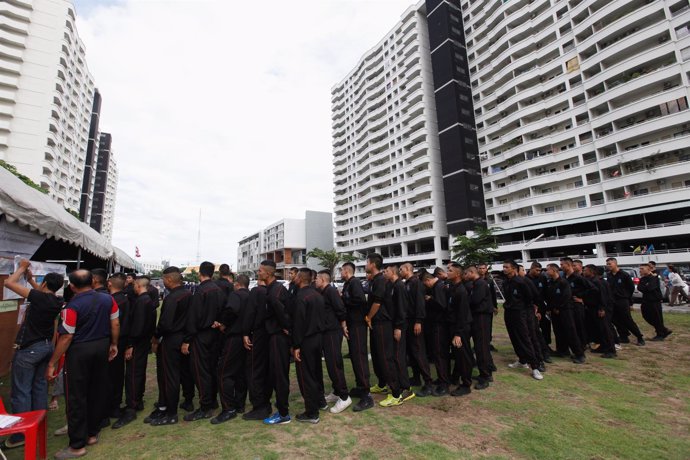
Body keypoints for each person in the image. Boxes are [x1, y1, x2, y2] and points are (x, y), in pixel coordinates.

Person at [46, 270, 119, 460]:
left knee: (76, 397)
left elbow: (67, 336)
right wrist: (113, 344)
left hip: (80, 350)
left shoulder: (72, 306)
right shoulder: (108, 299)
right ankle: (92, 434)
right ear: (93, 281)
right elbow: (115, 324)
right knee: (96, 390)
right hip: (101, 346)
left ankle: (77, 445)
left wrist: (52, 362)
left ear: (71, 286)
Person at [2, 259, 64, 450]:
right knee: (38, 388)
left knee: (21, 390)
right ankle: (38, 424)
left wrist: (21, 269)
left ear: (44, 283)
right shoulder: (56, 300)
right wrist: (30, 280)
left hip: (30, 349)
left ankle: (20, 433)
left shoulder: (40, 298)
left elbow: (8, 283)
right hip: (46, 348)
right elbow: (40, 292)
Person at [148, 268, 193, 426]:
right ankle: (165, 406)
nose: (163, 282)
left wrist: (155, 336)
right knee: (179, 373)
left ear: (169, 280)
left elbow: (165, 324)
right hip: (183, 337)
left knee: (169, 376)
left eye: (164, 280)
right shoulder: (188, 294)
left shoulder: (173, 298)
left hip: (171, 339)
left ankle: (171, 412)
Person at [182, 261, 224, 421]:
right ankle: (211, 401)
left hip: (202, 335)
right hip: (214, 334)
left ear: (200, 273)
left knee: (201, 371)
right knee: (211, 369)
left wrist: (187, 340)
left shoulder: (201, 291)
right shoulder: (218, 290)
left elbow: (193, 317)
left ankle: (205, 406)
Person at [113, 277, 155, 428]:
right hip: (143, 341)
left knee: (133, 373)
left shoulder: (142, 302)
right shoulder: (146, 300)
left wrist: (130, 344)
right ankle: (137, 401)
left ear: (138, 286)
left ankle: (132, 406)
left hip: (137, 343)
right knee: (137, 372)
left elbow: (137, 325)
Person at [212, 274, 250, 424]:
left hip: (235, 337)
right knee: (240, 372)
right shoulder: (251, 295)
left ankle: (229, 408)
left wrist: (223, 323)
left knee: (223, 372)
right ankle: (239, 404)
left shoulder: (236, 295)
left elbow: (231, 310)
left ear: (237, 284)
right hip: (246, 337)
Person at [366, 253, 403, 407]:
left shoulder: (381, 280)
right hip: (376, 323)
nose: (365, 264)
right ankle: (382, 384)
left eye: (367, 262)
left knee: (386, 357)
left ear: (373, 264)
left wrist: (368, 317)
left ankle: (396, 393)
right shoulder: (374, 280)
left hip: (382, 323)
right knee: (376, 356)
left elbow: (377, 303)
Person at [314, 270, 352, 413]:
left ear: (323, 280)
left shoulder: (330, 291)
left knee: (334, 364)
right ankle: (337, 392)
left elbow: (340, 309)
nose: (315, 280)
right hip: (326, 331)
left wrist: (343, 325)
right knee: (332, 363)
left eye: (317, 278)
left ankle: (344, 396)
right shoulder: (323, 292)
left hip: (332, 332)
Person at [260, 260, 293, 425]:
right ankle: (280, 408)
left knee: (280, 375)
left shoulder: (275, 291)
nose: (258, 273)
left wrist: (286, 328)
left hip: (278, 337)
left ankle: (283, 414)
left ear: (268, 273)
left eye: (260, 271)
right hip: (274, 336)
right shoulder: (272, 289)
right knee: (275, 374)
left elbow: (284, 313)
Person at [291, 268, 326, 423]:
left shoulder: (301, 297)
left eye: (296, 275)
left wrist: (296, 345)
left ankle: (312, 413)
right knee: (315, 372)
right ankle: (319, 402)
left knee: (306, 376)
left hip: (306, 341)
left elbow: (298, 324)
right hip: (318, 339)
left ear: (300, 278)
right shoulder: (317, 295)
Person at [341, 262, 374, 412]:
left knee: (360, 357)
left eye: (341, 270)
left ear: (346, 271)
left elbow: (360, 300)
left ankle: (366, 394)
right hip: (352, 324)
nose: (340, 273)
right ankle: (360, 386)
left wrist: (344, 299)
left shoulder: (354, 283)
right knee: (354, 356)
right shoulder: (348, 283)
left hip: (358, 324)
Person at [502, 260, 543, 380]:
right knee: (514, 337)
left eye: (507, 267)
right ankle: (522, 360)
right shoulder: (505, 282)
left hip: (522, 313)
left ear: (514, 268)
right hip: (509, 312)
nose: (504, 269)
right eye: (503, 267)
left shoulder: (523, 281)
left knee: (525, 338)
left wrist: (531, 309)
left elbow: (533, 297)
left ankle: (535, 367)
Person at [399, 262, 433, 397]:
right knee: (412, 352)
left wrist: (418, 321)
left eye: (401, 269)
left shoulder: (416, 283)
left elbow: (420, 303)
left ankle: (428, 382)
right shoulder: (407, 283)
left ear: (408, 269)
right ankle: (416, 377)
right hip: (407, 321)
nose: (400, 271)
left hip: (415, 321)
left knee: (419, 351)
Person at [383, 264, 415, 403]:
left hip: (399, 326)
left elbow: (402, 309)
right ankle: (400, 384)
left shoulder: (399, 286)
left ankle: (405, 388)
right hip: (392, 325)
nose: (384, 273)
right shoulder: (392, 285)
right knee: (395, 356)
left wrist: (398, 327)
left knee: (398, 357)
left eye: (387, 271)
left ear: (393, 272)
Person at [241, 278, 272, 421]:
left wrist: (246, 332)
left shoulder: (257, 291)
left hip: (258, 334)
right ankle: (265, 403)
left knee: (254, 370)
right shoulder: (273, 291)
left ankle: (260, 406)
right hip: (270, 335)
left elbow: (250, 312)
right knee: (265, 370)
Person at [544, 264, 585, 364]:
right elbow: (550, 297)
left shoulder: (563, 282)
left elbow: (566, 297)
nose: (546, 272)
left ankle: (579, 354)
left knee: (570, 332)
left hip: (565, 311)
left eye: (548, 270)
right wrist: (550, 308)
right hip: (554, 311)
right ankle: (562, 350)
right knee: (558, 331)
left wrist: (559, 307)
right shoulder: (550, 283)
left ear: (554, 270)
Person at [422, 270, 452, 395]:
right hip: (438, 324)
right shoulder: (438, 286)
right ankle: (443, 379)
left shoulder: (438, 286)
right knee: (440, 354)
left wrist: (430, 300)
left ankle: (444, 383)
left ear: (427, 280)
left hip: (440, 325)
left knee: (440, 354)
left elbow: (441, 305)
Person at [463, 266, 493, 390]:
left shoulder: (480, 284)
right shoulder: (475, 283)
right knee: (479, 346)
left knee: (481, 347)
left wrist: (466, 299)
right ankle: (483, 373)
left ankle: (486, 376)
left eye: (466, 273)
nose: (465, 276)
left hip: (481, 317)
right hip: (477, 317)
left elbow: (475, 300)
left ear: (471, 273)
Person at [605, 258, 645, 346]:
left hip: (622, 301)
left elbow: (630, 288)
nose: (608, 266)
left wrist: (629, 301)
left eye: (610, 264)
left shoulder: (624, 275)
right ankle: (623, 336)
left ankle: (639, 337)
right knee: (615, 320)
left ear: (615, 264)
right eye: (607, 264)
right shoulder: (609, 275)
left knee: (627, 320)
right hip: (612, 301)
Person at [447, 263, 473, 397]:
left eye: (450, 270)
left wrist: (458, 334)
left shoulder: (461, 291)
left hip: (460, 328)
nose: (447, 272)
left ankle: (466, 384)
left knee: (463, 356)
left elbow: (462, 314)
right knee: (458, 355)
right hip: (454, 326)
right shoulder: (452, 287)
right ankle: (455, 377)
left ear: (457, 274)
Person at [106, 273, 130, 420]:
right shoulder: (126, 300)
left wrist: (113, 342)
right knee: (117, 374)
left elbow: (115, 324)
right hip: (122, 341)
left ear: (109, 284)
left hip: (113, 341)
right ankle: (115, 405)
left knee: (110, 375)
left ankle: (110, 406)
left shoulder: (112, 301)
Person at [583, 265, 616, 358]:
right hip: (593, 308)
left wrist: (602, 308)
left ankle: (611, 350)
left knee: (605, 329)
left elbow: (603, 297)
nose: (584, 272)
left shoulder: (598, 282)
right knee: (599, 329)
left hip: (600, 309)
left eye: (585, 270)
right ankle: (603, 346)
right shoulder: (591, 281)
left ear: (591, 271)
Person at [560, 257, 591, 347]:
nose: (561, 266)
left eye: (562, 264)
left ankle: (583, 345)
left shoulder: (578, 277)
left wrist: (583, 299)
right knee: (571, 327)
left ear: (568, 265)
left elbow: (592, 289)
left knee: (579, 326)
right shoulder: (563, 277)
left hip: (576, 305)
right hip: (567, 306)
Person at [638, 263, 672, 341]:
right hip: (645, 300)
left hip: (654, 301)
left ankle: (660, 334)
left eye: (642, 269)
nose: (640, 270)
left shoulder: (654, 278)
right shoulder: (643, 279)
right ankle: (664, 329)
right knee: (646, 316)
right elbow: (640, 288)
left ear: (649, 269)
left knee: (657, 318)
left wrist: (646, 286)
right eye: (640, 269)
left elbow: (650, 288)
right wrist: (645, 286)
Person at [477, 263, 499, 356]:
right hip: (479, 309)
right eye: (480, 268)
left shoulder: (489, 281)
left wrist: (495, 306)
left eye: (483, 268)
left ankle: (488, 343)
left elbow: (493, 295)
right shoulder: (475, 280)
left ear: (486, 269)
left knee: (489, 326)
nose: (482, 270)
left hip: (489, 307)